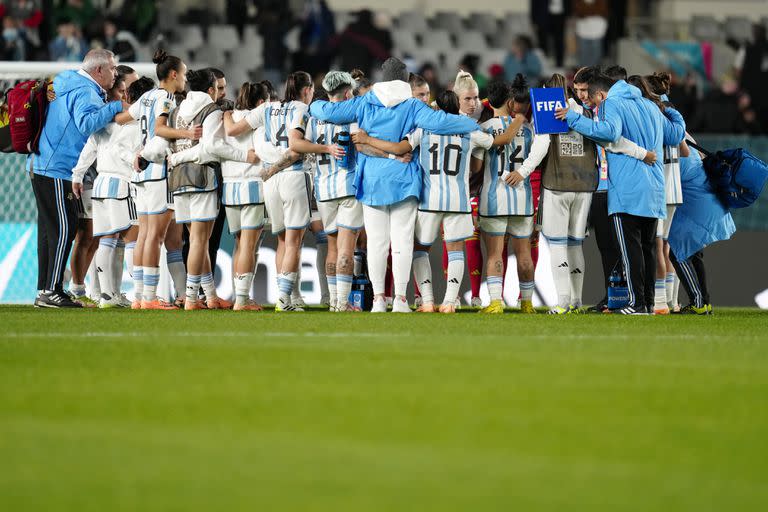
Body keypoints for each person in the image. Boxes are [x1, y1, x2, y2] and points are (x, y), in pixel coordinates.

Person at [309, 57, 481, 313]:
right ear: (403, 79)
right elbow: (441, 123)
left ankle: (379, 299)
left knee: (377, 243)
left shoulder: (365, 101)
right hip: (404, 181)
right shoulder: (412, 105)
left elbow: (328, 112)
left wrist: (313, 106)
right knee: (402, 243)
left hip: (372, 181)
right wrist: (470, 123)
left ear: (383, 77)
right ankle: (400, 299)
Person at [354, 90, 524, 313]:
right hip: (458, 201)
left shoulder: (423, 129)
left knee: (419, 249)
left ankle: (426, 300)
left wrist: (367, 139)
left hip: (429, 200)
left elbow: (398, 149)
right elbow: (502, 140)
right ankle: (449, 302)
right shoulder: (468, 128)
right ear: (456, 106)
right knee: (455, 250)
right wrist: (519, 119)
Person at [519, 73, 654, 314]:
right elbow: (614, 142)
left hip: (557, 185)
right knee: (575, 245)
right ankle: (576, 301)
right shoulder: (587, 114)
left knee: (558, 244)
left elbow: (541, 147)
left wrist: (523, 171)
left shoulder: (548, 111)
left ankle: (562, 303)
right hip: (585, 188)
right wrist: (642, 153)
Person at [556, 73, 686, 314]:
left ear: (601, 94)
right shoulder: (650, 105)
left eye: (594, 101)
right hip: (655, 188)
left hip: (627, 190)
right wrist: (669, 107)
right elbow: (676, 135)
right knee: (647, 248)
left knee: (631, 250)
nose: (593, 105)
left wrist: (573, 118)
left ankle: (635, 303)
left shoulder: (611, 104)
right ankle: (646, 302)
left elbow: (609, 133)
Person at [224, 71, 331, 312]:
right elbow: (295, 149)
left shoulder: (267, 108)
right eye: (312, 91)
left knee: (283, 239)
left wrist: (225, 113)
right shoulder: (303, 110)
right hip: (293, 175)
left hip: (270, 182)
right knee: (294, 241)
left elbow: (232, 130)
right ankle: (284, 299)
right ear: (306, 90)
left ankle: (286, 297)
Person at [30, 49, 127, 308]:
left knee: (49, 232)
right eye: (113, 68)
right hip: (57, 166)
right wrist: (117, 106)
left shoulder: (65, 79)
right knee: (64, 228)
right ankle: (52, 290)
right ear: (99, 70)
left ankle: (45, 288)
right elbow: (86, 124)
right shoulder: (85, 90)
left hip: (43, 163)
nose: (115, 73)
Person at [166, 69, 258, 310]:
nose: (221, 93)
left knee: (199, 240)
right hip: (202, 176)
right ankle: (190, 298)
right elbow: (212, 146)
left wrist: (176, 158)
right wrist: (244, 156)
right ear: (209, 90)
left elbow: (171, 145)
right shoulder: (211, 110)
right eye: (217, 88)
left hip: (178, 178)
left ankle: (209, 294)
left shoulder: (176, 111)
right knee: (199, 240)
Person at [126, 50, 201, 310]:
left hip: (142, 169)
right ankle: (149, 298)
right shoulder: (167, 97)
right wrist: (186, 132)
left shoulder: (146, 96)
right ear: (173, 75)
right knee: (154, 236)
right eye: (182, 74)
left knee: (145, 234)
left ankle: (139, 296)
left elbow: (125, 117)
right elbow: (159, 129)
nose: (184, 79)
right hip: (157, 169)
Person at [71, 76, 154, 308]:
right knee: (132, 239)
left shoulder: (108, 121)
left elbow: (90, 147)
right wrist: (134, 161)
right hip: (121, 184)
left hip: (100, 185)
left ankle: (107, 295)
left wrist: (77, 175)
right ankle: (139, 295)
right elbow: (121, 150)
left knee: (106, 240)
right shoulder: (138, 123)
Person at [473, 77, 536, 314]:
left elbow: (476, 170)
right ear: (510, 102)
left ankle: (496, 303)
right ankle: (528, 303)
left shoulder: (484, 129)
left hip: (494, 199)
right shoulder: (528, 129)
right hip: (523, 199)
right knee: (524, 253)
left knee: (495, 253)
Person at [304, 71, 364, 311]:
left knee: (332, 246)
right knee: (347, 246)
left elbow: (304, 146)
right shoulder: (354, 117)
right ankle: (342, 303)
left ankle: (332, 301)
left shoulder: (314, 118)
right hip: (348, 186)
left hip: (323, 189)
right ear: (348, 92)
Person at [667, 138, 736, 315]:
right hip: (711, 203)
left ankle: (698, 302)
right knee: (693, 254)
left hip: (701, 207)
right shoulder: (687, 139)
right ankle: (705, 303)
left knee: (677, 254)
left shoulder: (675, 153)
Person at [644, 72, 689, 314]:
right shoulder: (673, 115)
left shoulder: (653, 117)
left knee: (657, 246)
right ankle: (673, 301)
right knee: (666, 247)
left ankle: (660, 302)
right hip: (675, 189)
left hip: (659, 188)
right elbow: (685, 152)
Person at [573, 0, 609, 67]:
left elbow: (602, 10)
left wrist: (586, 9)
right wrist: (593, 9)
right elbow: (579, 11)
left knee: (596, 58)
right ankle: (583, 75)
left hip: (597, 32)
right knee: (583, 57)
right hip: (582, 32)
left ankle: (593, 75)